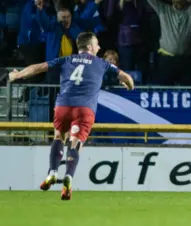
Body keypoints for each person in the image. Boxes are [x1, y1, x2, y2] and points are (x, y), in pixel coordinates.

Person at [8, 32, 135, 200]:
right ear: (90, 47)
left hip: (63, 106)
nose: (99, 47)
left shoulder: (66, 60)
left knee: (59, 137)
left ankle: (52, 172)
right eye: (97, 44)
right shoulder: (102, 63)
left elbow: (38, 67)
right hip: (85, 109)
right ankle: (68, 177)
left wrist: (17, 75)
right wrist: (129, 86)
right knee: (75, 143)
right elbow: (127, 77)